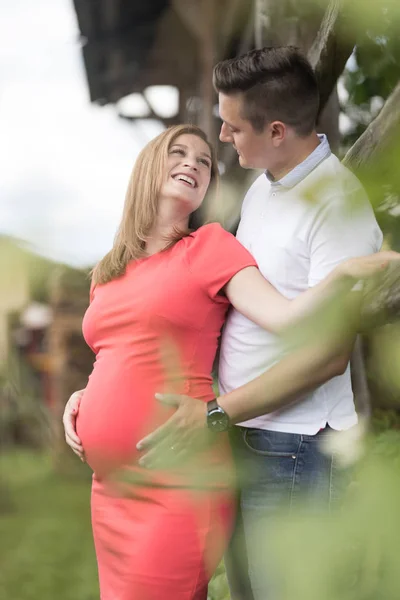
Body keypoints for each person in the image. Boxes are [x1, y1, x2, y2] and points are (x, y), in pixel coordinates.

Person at [63, 56, 393, 598]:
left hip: (293, 445)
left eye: (231, 128)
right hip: (232, 439)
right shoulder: (266, 189)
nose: (220, 137)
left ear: (277, 132)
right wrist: (92, 395)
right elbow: (163, 335)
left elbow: (327, 354)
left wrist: (214, 413)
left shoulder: (335, 207)